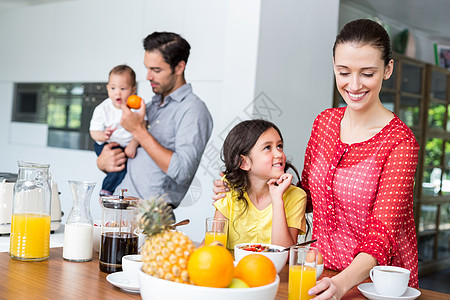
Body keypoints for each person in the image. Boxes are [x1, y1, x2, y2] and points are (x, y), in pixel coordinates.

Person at [213, 19, 419, 299]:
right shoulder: (325, 123)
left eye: (367, 73)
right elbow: (308, 196)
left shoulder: (400, 143)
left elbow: (381, 236)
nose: (354, 85)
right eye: (344, 72)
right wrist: (244, 186)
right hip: (320, 271)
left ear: (388, 70)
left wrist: (341, 284)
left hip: (376, 283)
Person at [96, 32, 213, 209]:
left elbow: (182, 172)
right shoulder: (150, 106)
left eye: (156, 70)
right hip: (118, 206)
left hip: (150, 217)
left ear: (179, 67)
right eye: (147, 68)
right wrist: (103, 163)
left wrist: (138, 131)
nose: (148, 76)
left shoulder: (193, 110)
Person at [210, 119, 306, 249]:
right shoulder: (228, 188)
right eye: (268, 148)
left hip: (273, 269)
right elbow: (213, 243)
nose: (279, 154)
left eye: (279, 146)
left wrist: (277, 197)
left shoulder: (296, 196)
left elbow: (286, 253)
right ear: (243, 163)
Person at [90, 65, 144, 196]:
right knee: (119, 168)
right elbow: (93, 132)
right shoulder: (103, 109)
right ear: (107, 88)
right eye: (113, 88)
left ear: (133, 89)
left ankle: (112, 190)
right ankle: (106, 190)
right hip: (107, 144)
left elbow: (142, 127)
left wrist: (133, 144)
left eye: (123, 88)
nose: (117, 93)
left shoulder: (137, 107)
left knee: (124, 168)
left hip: (127, 145)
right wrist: (104, 136)